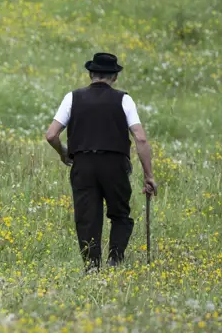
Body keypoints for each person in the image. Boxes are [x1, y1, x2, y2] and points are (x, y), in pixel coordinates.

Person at [44, 52, 156, 270]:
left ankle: (92, 267)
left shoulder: (72, 97)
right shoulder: (124, 99)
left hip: (83, 164)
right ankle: (115, 260)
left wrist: (63, 153)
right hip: (115, 164)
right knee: (120, 214)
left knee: (87, 218)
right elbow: (140, 138)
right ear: (114, 77)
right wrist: (149, 175)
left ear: (90, 74)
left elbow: (51, 135)